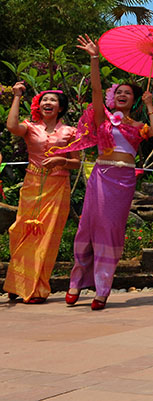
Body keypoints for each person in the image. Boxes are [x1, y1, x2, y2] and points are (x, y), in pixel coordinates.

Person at [64, 35, 153, 310]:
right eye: (118, 92)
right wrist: (95, 58)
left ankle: (102, 288)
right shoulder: (102, 118)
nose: (121, 95)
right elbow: (95, 91)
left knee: (111, 229)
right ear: (112, 97)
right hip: (101, 175)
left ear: (134, 100)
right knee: (88, 226)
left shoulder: (139, 124)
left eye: (127, 93)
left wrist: (151, 103)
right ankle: (76, 282)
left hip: (124, 179)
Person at [3, 82, 79, 303]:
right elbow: (11, 126)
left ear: (61, 108)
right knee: (21, 231)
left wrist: (61, 160)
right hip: (31, 185)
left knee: (47, 239)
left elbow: (76, 163)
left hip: (58, 188)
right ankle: (17, 283)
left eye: (53, 100)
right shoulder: (30, 127)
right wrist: (17, 96)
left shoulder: (70, 132)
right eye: (45, 100)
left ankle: (37, 288)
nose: (48, 103)